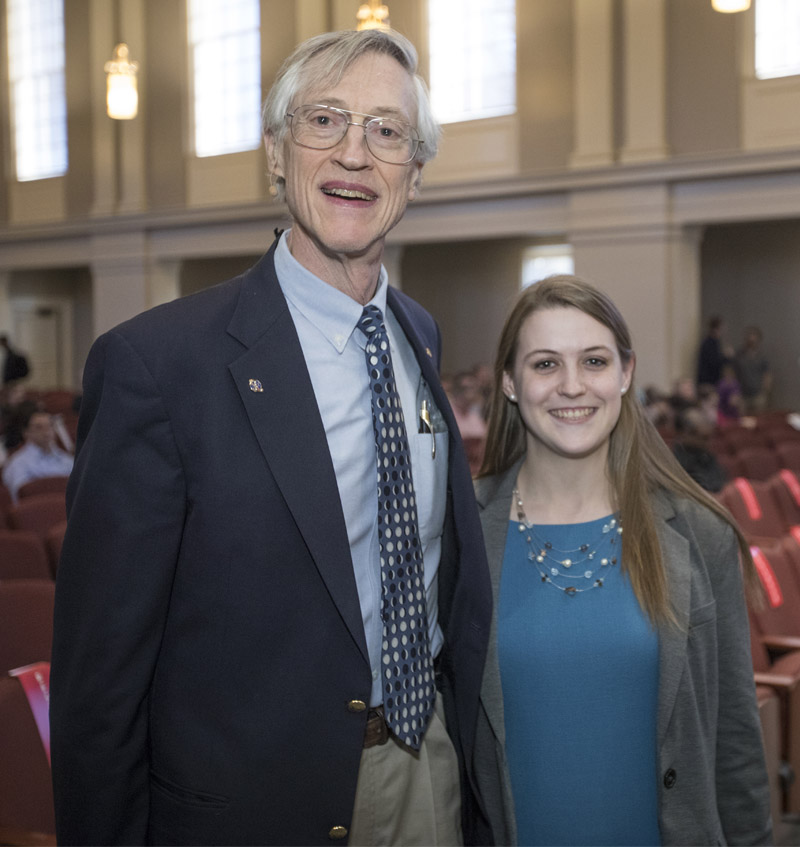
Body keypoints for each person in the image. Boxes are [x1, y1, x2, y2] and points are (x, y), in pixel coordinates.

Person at [50, 29, 492, 847]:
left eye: (386, 132)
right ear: (277, 154)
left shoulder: (417, 335)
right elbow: (99, 682)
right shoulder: (157, 364)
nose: (356, 153)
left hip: (428, 770)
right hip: (254, 805)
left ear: (416, 174)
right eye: (325, 121)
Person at [472, 276, 771, 846]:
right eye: (543, 365)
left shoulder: (698, 533)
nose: (572, 385)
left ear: (625, 373)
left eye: (593, 360)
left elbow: (735, 740)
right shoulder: (460, 534)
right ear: (509, 382)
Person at [1, 409, 74, 502]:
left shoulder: (67, 460)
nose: (46, 431)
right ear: (26, 433)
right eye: (39, 427)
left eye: (50, 425)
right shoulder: (17, 464)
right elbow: (20, 501)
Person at [671, 405, 728, 493]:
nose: (708, 443)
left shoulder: (706, 456)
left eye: (709, 437)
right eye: (703, 438)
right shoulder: (677, 462)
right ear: (683, 434)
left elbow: (722, 482)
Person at [736, 325, 772, 414]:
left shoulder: (762, 357)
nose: (751, 339)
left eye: (753, 336)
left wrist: (766, 392)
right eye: (749, 336)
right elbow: (733, 372)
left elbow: (767, 375)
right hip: (742, 394)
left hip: (758, 394)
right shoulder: (739, 355)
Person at [696, 315, 727, 388]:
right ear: (716, 329)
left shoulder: (714, 342)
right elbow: (714, 362)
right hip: (708, 381)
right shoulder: (709, 343)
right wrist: (726, 357)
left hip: (711, 380)